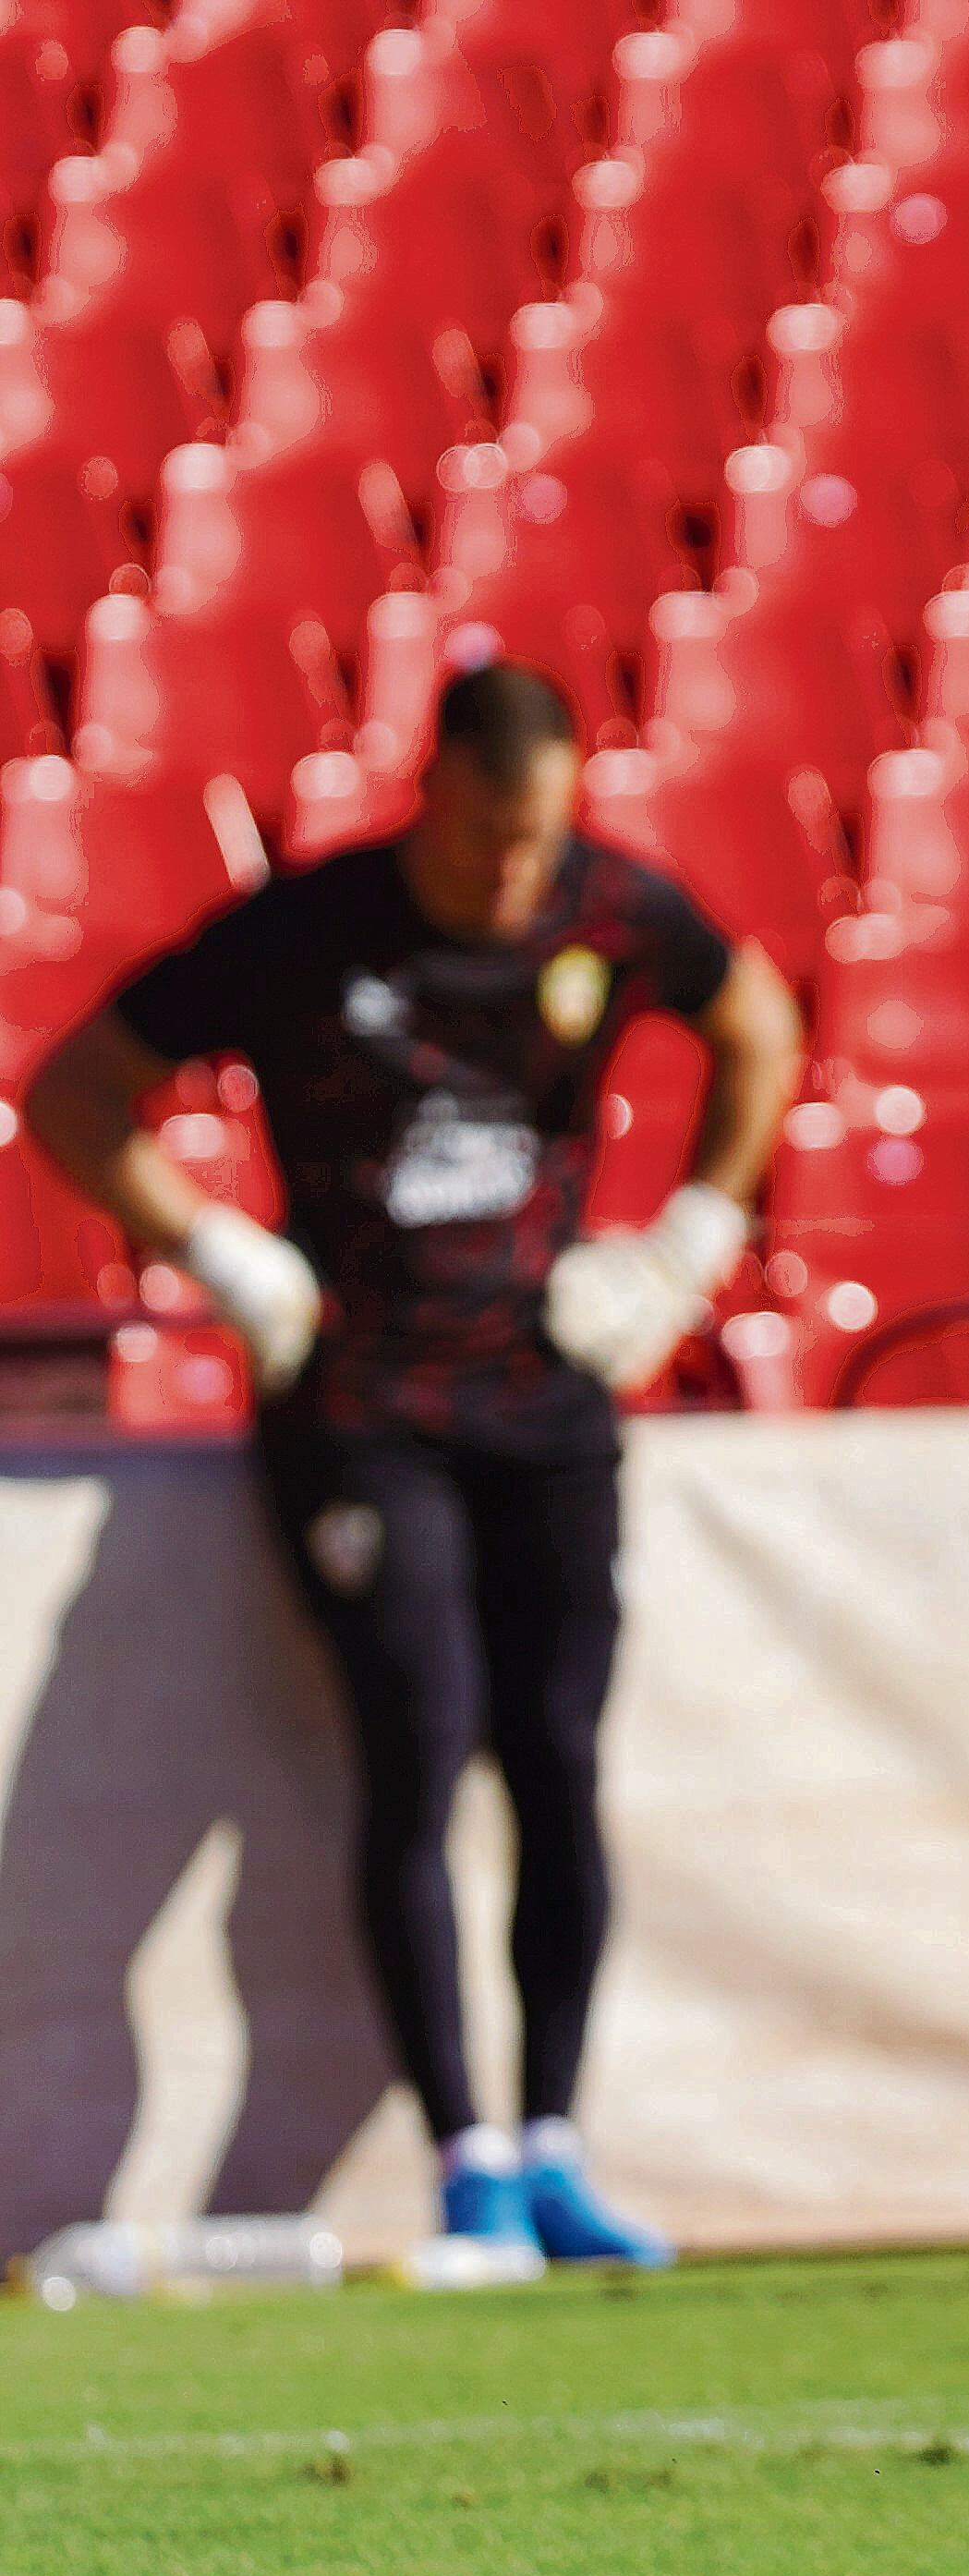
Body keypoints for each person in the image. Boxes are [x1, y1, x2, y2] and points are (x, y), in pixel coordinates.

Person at [24, 660, 803, 2262]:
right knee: (421, 1748)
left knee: (559, 1757)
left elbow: (761, 1030)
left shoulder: (612, 913)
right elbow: (75, 1089)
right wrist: (223, 1255)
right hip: (364, 1402)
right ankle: (465, 2157)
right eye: (485, 837)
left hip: (549, 1393)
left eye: (536, 841)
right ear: (429, 795)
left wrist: (688, 1243)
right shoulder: (310, 931)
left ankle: (558, 2142)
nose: (509, 874)